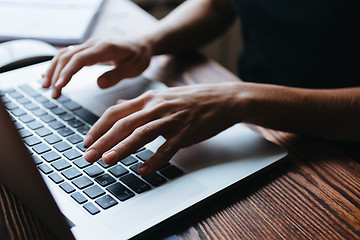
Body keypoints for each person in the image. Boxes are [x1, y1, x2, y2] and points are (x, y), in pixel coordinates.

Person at [42, 0, 360, 176]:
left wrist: (239, 98)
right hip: (255, 124)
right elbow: (219, 5)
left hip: (339, 153)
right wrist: (146, 41)